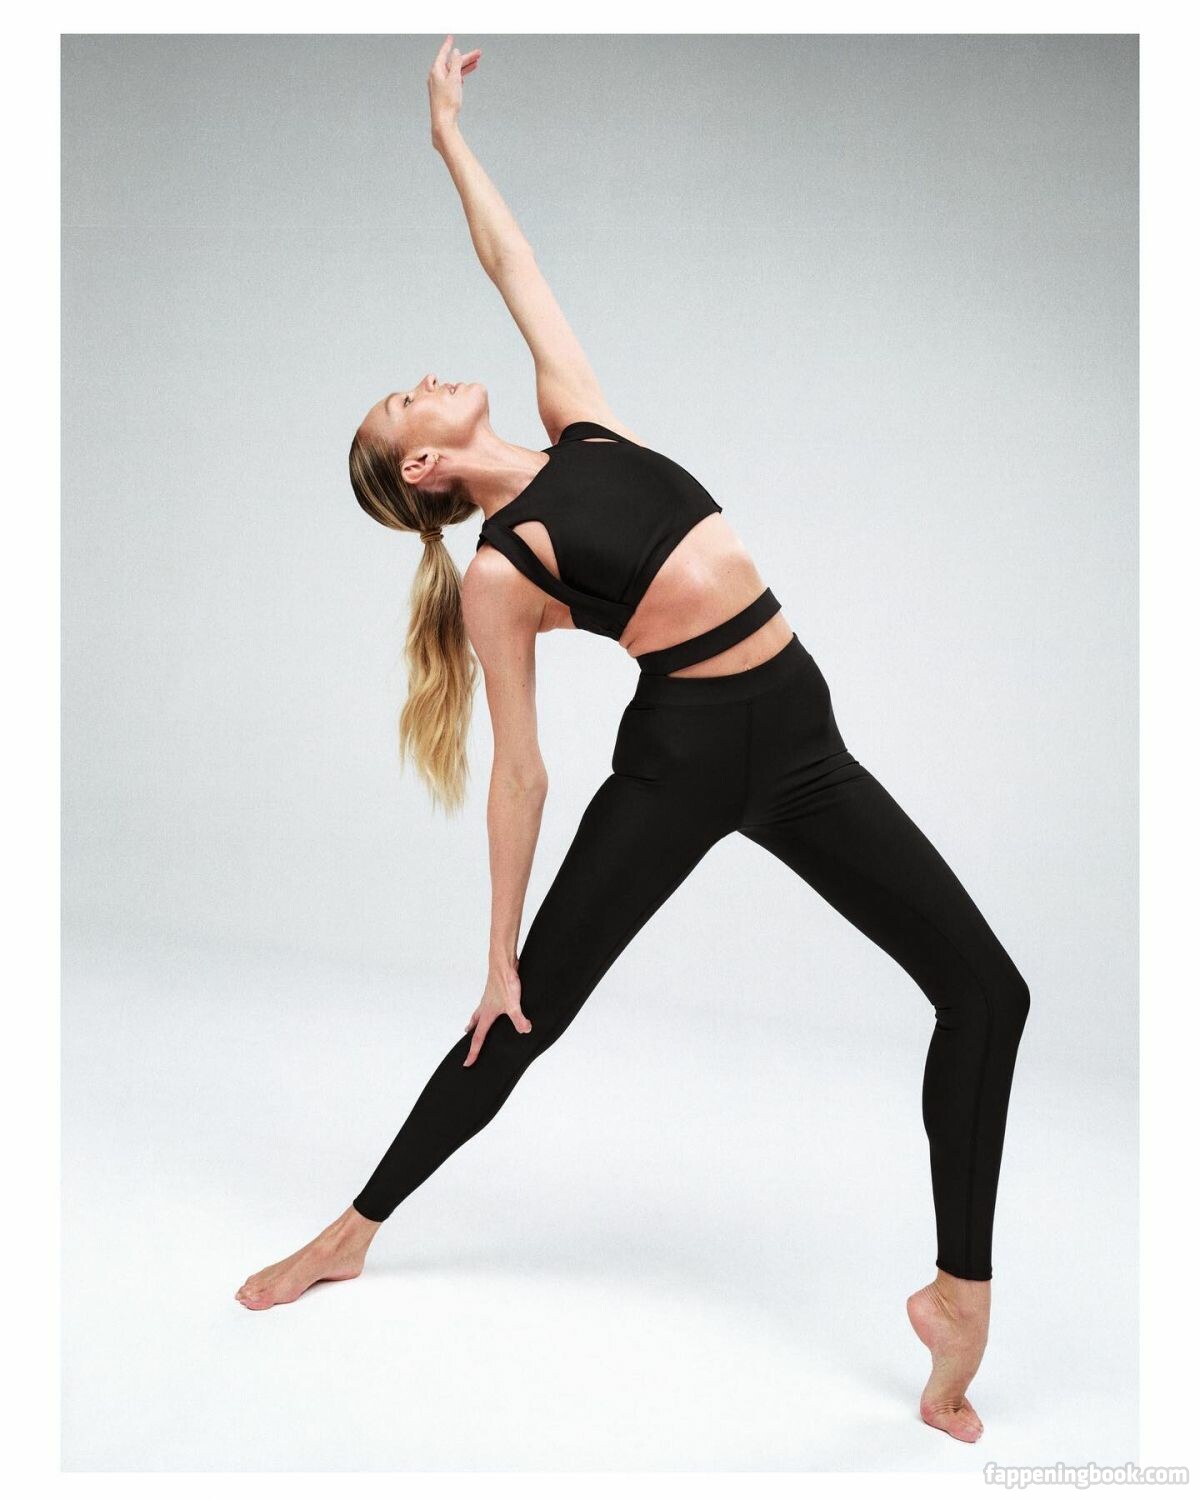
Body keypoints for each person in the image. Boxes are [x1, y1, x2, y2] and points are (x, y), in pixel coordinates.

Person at [235, 36, 1030, 1446]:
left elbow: (512, 261)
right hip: (685, 755)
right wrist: (496, 948)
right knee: (524, 1014)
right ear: (424, 466)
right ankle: (352, 1229)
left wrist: (446, 135)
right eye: (405, 401)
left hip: (799, 730)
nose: (423, 378)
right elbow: (522, 769)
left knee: (987, 991)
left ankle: (957, 1297)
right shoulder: (500, 572)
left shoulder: (579, 426)